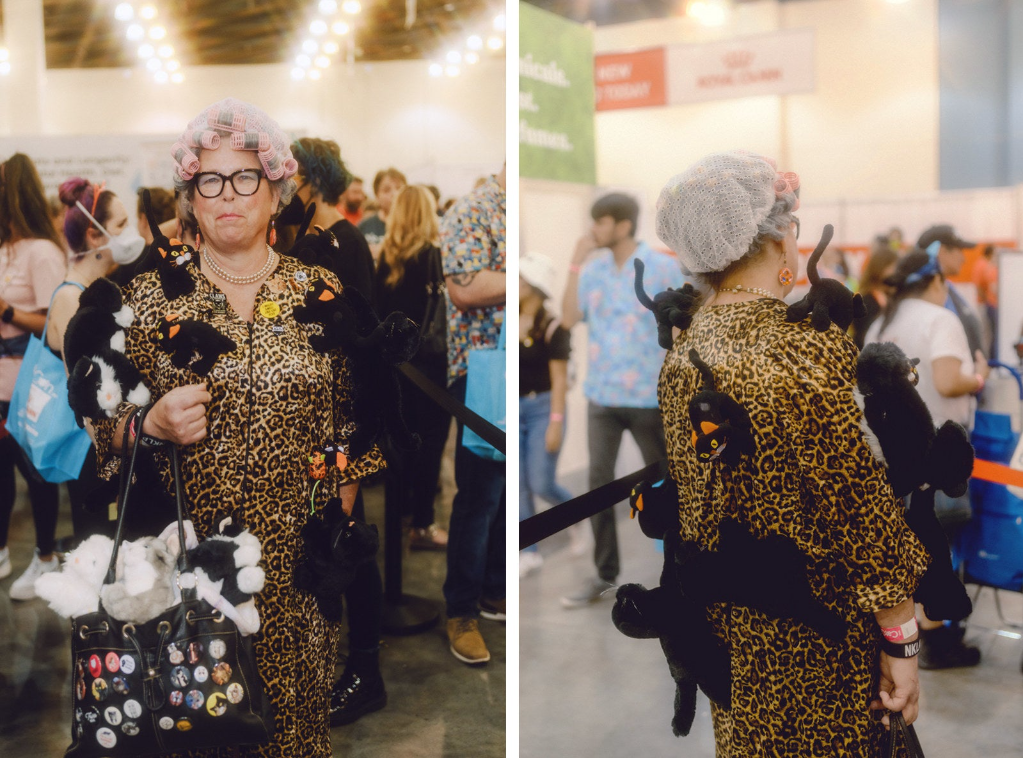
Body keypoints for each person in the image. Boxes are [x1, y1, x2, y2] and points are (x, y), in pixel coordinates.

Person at [87, 98, 385, 757]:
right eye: (210, 180)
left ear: (276, 191)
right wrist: (148, 425)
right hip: (186, 584)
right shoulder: (151, 297)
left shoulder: (320, 292)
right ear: (189, 197)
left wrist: (335, 539)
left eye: (245, 177)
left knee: (295, 737)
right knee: (199, 738)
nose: (228, 195)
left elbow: (348, 427)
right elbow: (100, 434)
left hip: (298, 581)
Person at [654, 151, 929, 754]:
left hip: (732, 636)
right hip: (818, 636)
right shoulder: (794, 353)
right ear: (780, 236)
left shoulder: (683, 353)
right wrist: (901, 638)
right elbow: (860, 508)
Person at [865, 246, 987, 669]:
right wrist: (979, 376)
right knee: (939, 543)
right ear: (936, 281)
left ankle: (909, 635)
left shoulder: (885, 320)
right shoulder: (942, 319)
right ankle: (938, 640)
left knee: (904, 545)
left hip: (889, 459)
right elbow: (948, 381)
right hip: (935, 453)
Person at [559, 192, 680, 607]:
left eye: (602, 221)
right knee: (599, 486)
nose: (594, 229)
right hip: (602, 397)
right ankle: (603, 573)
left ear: (624, 225)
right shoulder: (591, 272)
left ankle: (679, 570)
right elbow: (569, 318)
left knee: (667, 483)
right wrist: (575, 262)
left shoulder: (663, 267)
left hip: (650, 396)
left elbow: (682, 325)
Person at [49, 178, 150, 544]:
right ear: (95, 236)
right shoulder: (73, 299)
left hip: (103, 448)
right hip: (91, 453)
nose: (128, 234)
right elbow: (89, 400)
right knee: (100, 550)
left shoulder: (90, 290)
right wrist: (113, 465)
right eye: (120, 225)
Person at [441, 165, 506, 665]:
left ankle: (492, 590)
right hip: (481, 370)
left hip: (517, 368)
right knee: (479, 494)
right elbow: (464, 288)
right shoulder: (474, 209)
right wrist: (521, 277)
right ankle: (460, 609)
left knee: (503, 494)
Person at [0, 153, 68, 599]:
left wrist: (6, 311)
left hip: (31, 383)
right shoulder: (6, 248)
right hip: (1, 382)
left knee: (37, 475)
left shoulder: (43, 252)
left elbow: (56, 324)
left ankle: (45, 556)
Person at [375, 185, 451, 550]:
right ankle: (423, 525)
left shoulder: (386, 259)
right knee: (430, 446)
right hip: (430, 368)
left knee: (403, 443)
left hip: (395, 368)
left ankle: (403, 514)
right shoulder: (433, 256)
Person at [518, 252, 572, 578]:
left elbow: (560, 379)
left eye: (522, 279)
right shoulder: (513, 320)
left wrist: (556, 422)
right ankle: (530, 551)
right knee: (520, 486)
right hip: (517, 407)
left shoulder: (553, 327)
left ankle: (579, 516)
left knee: (541, 482)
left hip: (543, 409)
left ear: (536, 286)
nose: (517, 283)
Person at [287, 137, 375, 305]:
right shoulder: (305, 236)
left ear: (315, 181)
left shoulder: (348, 242)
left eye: (293, 178)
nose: (287, 187)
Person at [917, 225, 985, 357]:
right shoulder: (925, 294)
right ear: (942, 251)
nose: (964, 259)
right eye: (960, 250)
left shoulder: (947, 287)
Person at [851, 244, 898, 349]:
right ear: (880, 267)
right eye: (893, 267)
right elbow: (863, 333)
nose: (897, 272)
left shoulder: (892, 296)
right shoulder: (865, 300)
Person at [358, 168, 406, 263]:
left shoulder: (413, 227)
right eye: (386, 190)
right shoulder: (364, 226)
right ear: (377, 195)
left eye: (399, 188)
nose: (394, 194)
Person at [972, 244, 998, 358]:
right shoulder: (983, 265)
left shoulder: (984, 264)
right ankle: (988, 358)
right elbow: (979, 286)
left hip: (986, 303)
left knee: (988, 333)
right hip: (985, 303)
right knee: (987, 334)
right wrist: (986, 300)